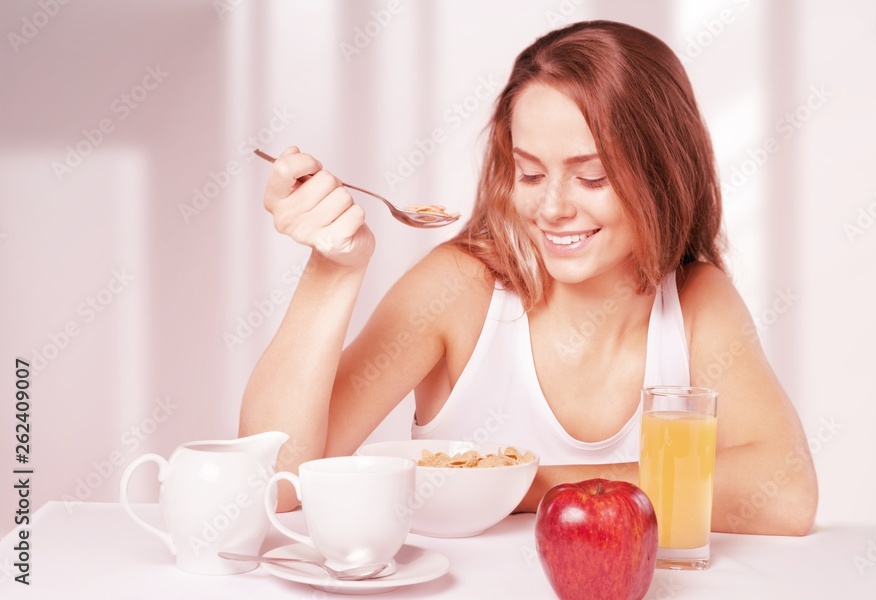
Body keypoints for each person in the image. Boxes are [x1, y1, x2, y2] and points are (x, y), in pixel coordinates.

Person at [239, 20, 818, 535]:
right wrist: (332, 269)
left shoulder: (695, 300)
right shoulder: (459, 288)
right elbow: (276, 484)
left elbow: (786, 494)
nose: (552, 209)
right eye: (531, 173)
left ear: (664, 174)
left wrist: (519, 483)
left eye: (591, 178)